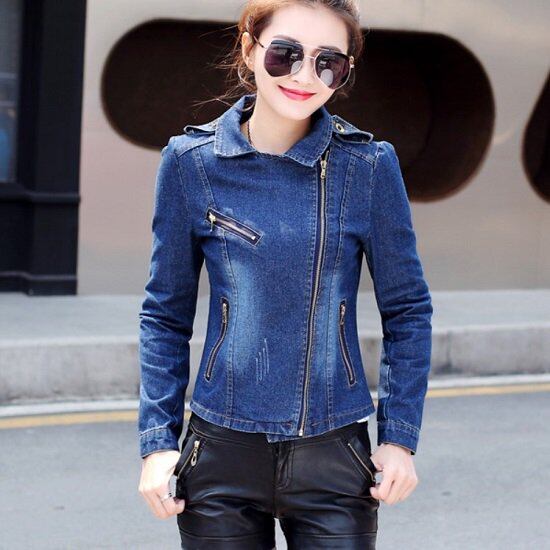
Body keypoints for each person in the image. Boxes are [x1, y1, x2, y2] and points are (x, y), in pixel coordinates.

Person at [137, 1, 433, 548]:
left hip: (334, 457)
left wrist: (399, 438)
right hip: (220, 456)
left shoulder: (368, 167)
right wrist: (158, 442)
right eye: (285, 53)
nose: (304, 76)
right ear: (249, 48)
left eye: (328, 62)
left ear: (345, 72)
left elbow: (408, 310)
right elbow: (164, 314)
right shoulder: (191, 162)